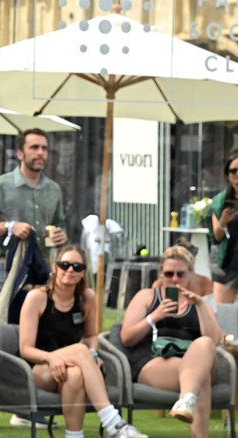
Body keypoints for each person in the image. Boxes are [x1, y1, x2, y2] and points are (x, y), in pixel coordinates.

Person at [19, 245, 145, 438]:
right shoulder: (37, 297)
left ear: (83, 272)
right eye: (65, 265)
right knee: (80, 350)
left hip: (73, 367)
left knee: (76, 374)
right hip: (38, 368)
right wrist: (51, 358)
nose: (70, 270)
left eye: (77, 267)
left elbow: (91, 336)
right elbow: (25, 349)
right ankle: (113, 423)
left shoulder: (87, 297)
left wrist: (92, 353)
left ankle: (74, 435)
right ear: (55, 267)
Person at [121, 246, 221, 437]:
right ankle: (188, 402)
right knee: (201, 378)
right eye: (169, 273)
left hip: (193, 359)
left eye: (180, 274)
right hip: (155, 361)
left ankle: (186, 399)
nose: (174, 279)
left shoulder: (199, 303)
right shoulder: (147, 297)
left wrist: (201, 305)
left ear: (191, 273)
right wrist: (154, 317)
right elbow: (126, 337)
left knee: (204, 344)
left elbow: (215, 341)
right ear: (161, 273)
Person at [0, 128, 68, 311]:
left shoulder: (54, 189)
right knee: (1, 326)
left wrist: (61, 236)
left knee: (42, 326)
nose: (40, 152)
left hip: (42, 271)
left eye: (44, 148)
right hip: (9, 270)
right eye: (34, 147)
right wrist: (10, 227)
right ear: (19, 153)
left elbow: (60, 225)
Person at [209, 151, 238, 303]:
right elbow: (217, 236)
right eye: (233, 170)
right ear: (227, 174)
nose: (237, 174)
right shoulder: (220, 201)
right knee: (221, 311)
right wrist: (223, 221)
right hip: (228, 263)